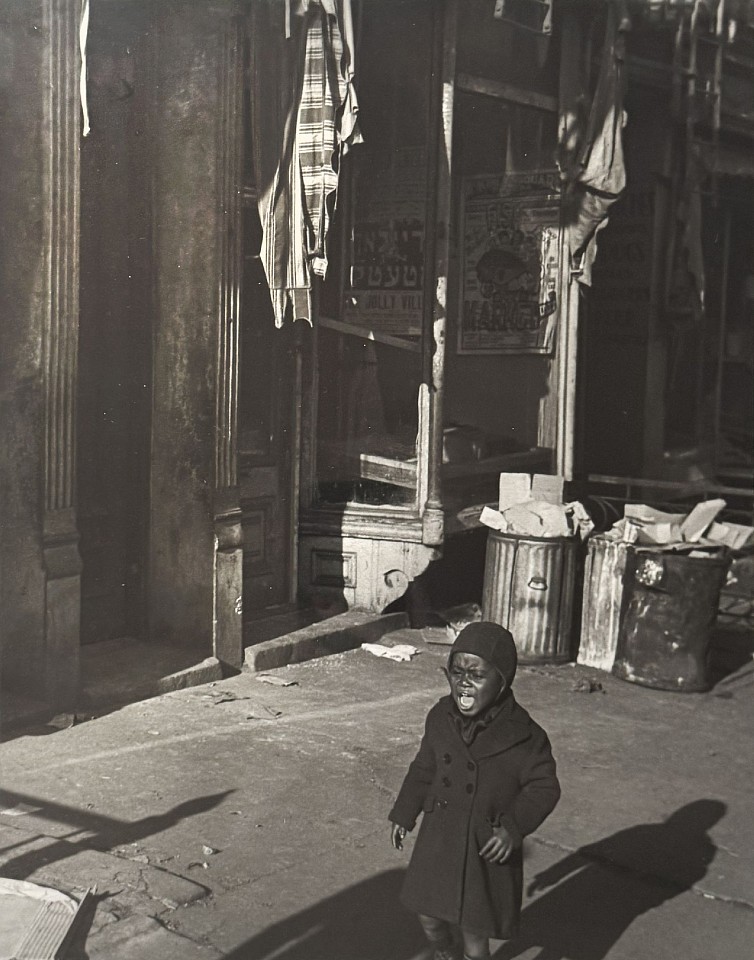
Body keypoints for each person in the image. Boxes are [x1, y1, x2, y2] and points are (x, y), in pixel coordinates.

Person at [389, 621, 561, 960]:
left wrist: (513, 827)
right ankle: (444, 952)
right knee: (429, 915)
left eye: (477, 675)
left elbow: (544, 786)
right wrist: (405, 812)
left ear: (502, 680)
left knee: (475, 936)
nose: (464, 683)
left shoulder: (525, 735)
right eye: (457, 672)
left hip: (484, 846)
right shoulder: (440, 717)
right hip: (440, 839)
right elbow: (424, 767)